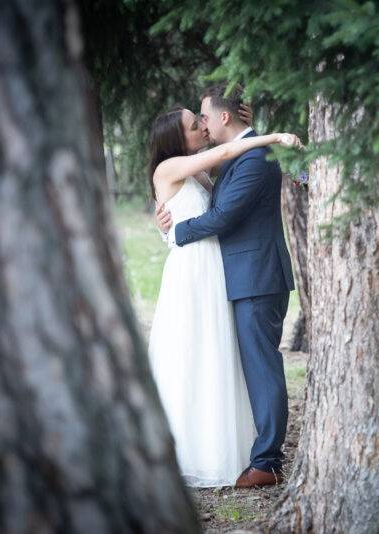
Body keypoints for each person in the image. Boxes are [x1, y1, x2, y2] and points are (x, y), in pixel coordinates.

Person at [147, 100, 301, 487]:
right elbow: (227, 151)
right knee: (193, 355)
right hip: (200, 271)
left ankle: (264, 460)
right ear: (176, 137)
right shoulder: (176, 166)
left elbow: (227, 169)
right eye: (192, 123)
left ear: (224, 117)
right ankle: (229, 452)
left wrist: (174, 231)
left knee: (228, 359)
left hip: (238, 274)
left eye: (203, 117)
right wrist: (169, 231)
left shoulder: (217, 166)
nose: (201, 125)